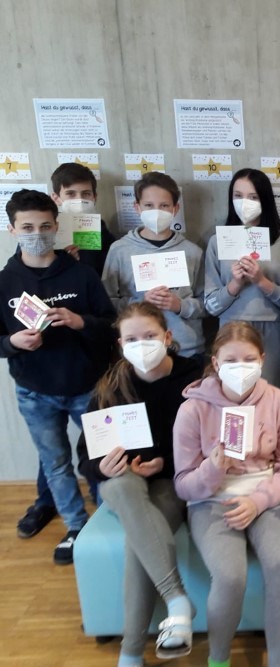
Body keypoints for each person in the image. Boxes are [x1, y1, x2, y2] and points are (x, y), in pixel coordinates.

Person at [76, 302, 202, 667]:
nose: (141, 344)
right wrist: (102, 466)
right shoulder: (110, 386)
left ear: (167, 336)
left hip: (170, 481)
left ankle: (130, 652)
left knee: (140, 541)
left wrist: (166, 462)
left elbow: (209, 441)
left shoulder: (194, 379)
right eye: (131, 339)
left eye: (149, 335)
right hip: (122, 482)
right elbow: (85, 455)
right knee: (120, 486)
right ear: (120, 344)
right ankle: (176, 598)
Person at [173, 321, 280, 667]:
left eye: (248, 359)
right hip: (211, 500)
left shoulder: (279, 401)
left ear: (262, 360)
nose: (240, 367)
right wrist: (213, 469)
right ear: (215, 363)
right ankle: (218, 660)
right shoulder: (193, 408)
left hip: (266, 496)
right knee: (230, 576)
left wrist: (258, 501)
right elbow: (183, 483)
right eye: (230, 360)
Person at [0, 189, 115, 563]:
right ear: (12, 229)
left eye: (45, 226)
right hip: (34, 391)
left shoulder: (82, 274)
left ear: (56, 226)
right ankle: (76, 527)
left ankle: (110, 520)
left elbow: (111, 324)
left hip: (87, 386)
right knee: (55, 462)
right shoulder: (5, 281)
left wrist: (81, 322)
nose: (37, 234)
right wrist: (13, 342)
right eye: (27, 227)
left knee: (104, 456)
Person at [204, 168, 280, 393]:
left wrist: (262, 281)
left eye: (253, 197)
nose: (244, 203)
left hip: (275, 331)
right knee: (233, 395)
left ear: (264, 200)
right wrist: (235, 285)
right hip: (230, 330)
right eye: (238, 196)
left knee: (273, 395)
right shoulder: (217, 242)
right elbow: (210, 305)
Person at [102, 171, 205, 359]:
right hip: (138, 350)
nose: (156, 212)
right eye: (149, 205)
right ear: (137, 207)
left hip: (186, 350)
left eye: (164, 205)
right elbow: (107, 302)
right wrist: (140, 302)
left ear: (175, 208)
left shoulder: (192, 251)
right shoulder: (119, 250)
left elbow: (207, 303)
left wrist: (180, 305)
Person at [50, 161, 117, 276]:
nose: (79, 200)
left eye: (86, 194)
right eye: (71, 194)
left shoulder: (100, 228)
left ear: (94, 197)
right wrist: (59, 260)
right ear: (56, 198)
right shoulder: (46, 228)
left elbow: (112, 263)